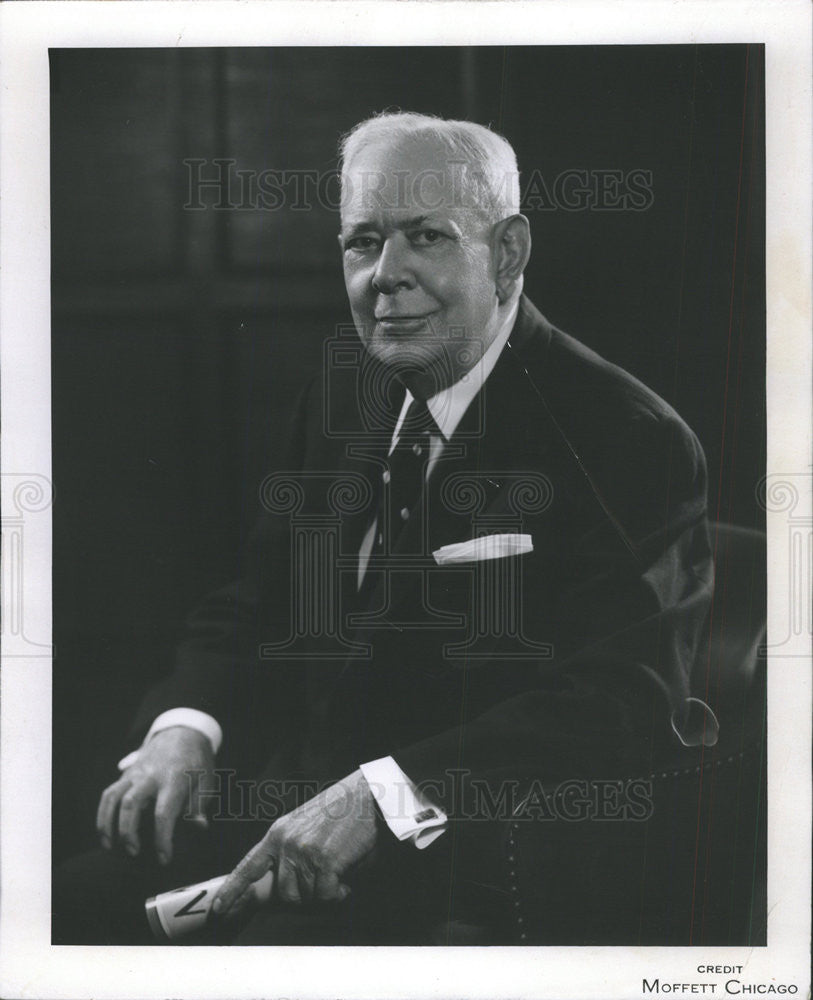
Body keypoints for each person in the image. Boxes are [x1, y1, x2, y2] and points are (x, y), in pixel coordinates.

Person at [53, 112, 714, 945]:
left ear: (505, 253)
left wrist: (386, 795)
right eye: (362, 243)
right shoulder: (345, 397)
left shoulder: (624, 434)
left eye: (426, 238)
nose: (383, 277)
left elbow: (625, 701)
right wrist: (185, 727)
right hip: (276, 813)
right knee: (66, 911)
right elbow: (259, 600)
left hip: (460, 861)